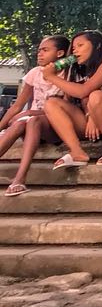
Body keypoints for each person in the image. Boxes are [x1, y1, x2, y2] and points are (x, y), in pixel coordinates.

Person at [41, 30, 102, 169]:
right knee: (52, 103)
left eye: (80, 45)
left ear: (97, 46)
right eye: (74, 48)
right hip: (92, 124)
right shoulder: (83, 70)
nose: (75, 51)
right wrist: (90, 115)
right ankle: (77, 152)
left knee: (96, 95)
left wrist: (51, 77)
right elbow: (82, 99)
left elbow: (84, 92)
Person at [1, 35, 71, 196]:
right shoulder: (35, 73)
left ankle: (20, 178)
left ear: (60, 53)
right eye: (39, 50)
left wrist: (30, 112)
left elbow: (67, 108)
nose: (39, 54)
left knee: (32, 119)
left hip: (54, 127)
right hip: (28, 124)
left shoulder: (68, 74)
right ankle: (18, 180)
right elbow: (18, 105)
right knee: (22, 123)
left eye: (45, 50)